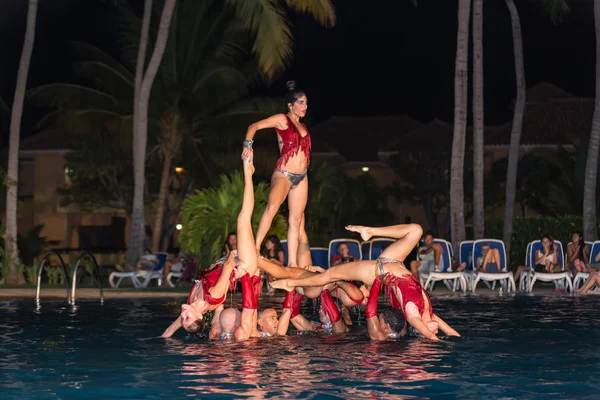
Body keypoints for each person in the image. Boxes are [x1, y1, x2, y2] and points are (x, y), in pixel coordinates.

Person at [271, 223, 460, 341]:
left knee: (331, 274)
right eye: (435, 330)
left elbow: (430, 336)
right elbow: (451, 332)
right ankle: (370, 231)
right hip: (395, 261)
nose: (436, 330)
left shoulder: (413, 316)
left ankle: (289, 283)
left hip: (377, 271)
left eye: (431, 331)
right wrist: (453, 337)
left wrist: (435, 341)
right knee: (416, 230)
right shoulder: (429, 314)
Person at [241, 80, 311, 268]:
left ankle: (293, 262)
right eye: (301, 102)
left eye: (306, 102)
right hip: (284, 174)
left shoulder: (303, 126)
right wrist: (248, 147)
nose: (305, 106)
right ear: (291, 105)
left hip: (302, 177)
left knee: (295, 220)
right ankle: (255, 248)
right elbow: (253, 126)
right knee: (272, 207)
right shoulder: (282, 119)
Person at [365, 276, 408, 340]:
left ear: (386, 327)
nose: (378, 324)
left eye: (379, 321)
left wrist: (377, 281)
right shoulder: (403, 332)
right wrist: (393, 283)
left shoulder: (380, 337)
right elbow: (399, 312)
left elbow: (370, 312)